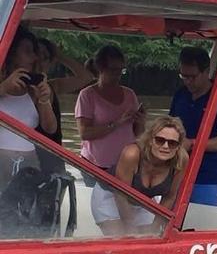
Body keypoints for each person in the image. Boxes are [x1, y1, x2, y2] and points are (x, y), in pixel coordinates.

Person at [90, 116, 189, 236]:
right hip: (110, 195)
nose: (166, 146)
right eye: (160, 140)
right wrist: (129, 228)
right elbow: (120, 194)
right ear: (151, 140)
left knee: (150, 237)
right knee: (120, 237)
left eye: (172, 143)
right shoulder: (132, 154)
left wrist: (155, 227)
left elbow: (170, 197)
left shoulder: (181, 160)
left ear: (179, 146)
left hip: (142, 201)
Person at [169, 46, 217, 207]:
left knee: (200, 225)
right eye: (183, 76)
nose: (187, 81)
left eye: (192, 77)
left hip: (206, 177)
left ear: (206, 71)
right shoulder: (180, 94)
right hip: (175, 173)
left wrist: (191, 144)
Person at [75, 45, 145, 187]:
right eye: (113, 70)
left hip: (125, 164)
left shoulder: (130, 94)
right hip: (95, 166)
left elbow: (138, 133)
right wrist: (117, 123)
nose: (117, 75)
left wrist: (141, 120)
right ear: (101, 68)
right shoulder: (87, 95)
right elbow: (84, 133)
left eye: (121, 70)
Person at [0, 26, 56, 192]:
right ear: (11, 54)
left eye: (34, 52)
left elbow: (50, 128)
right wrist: (3, 88)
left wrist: (44, 100)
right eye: (27, 51)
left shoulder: (35, 89)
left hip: (29, 163)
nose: (34, 57)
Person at [35, 37, 95, 175]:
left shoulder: (53, 86)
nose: (38, 60)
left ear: (50, 63)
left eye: (44, 57)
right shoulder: (14, 87)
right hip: (25, 153)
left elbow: (86, 77)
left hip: (51, 154)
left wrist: (60, 56)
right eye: (35, 54)